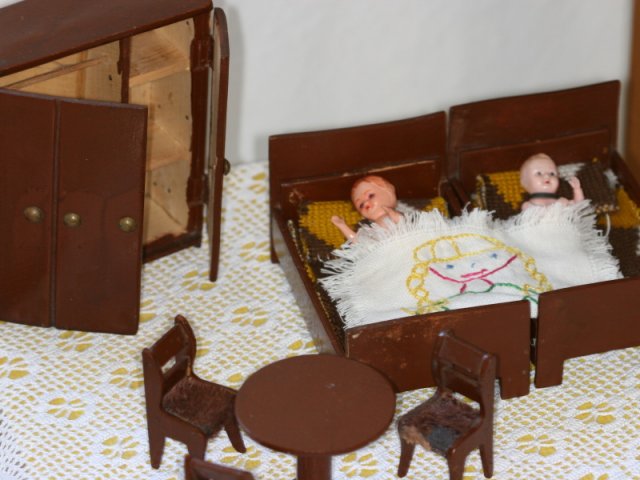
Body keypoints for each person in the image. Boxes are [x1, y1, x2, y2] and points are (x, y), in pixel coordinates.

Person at [331, 175, 403, 241]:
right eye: (361, 205)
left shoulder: (393, 215)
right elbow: (358, 243)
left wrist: (396, 217)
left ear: (388, 192)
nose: (365, 203)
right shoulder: (370, 230)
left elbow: (404, 224)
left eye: (371, 196)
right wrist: (342, 226)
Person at [520, 153, 584, 210]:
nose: (547, 176)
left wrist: (577, 190)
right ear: (525, 182)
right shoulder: (528, 206)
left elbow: (579, 206)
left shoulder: (562, 201)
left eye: (552, 174)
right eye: (539, 173)